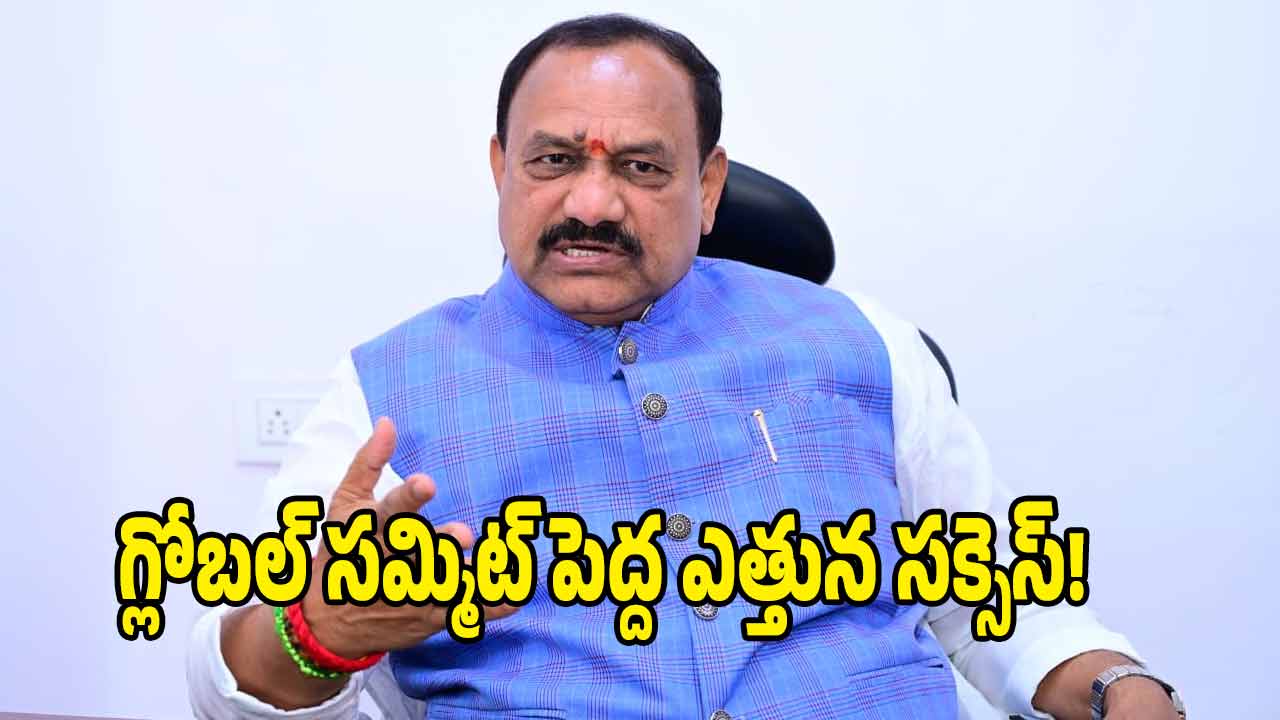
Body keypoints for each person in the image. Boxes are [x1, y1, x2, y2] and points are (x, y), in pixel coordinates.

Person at [187, 14, 1183, 720]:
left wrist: (1117, 683)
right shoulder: (381, 397)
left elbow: (998, 603)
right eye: (552, 161)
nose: (591, 204)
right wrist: (319, 629)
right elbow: (225, 690)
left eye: (640, 166)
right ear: (500, 170)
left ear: (707, 186)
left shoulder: (862, 343)